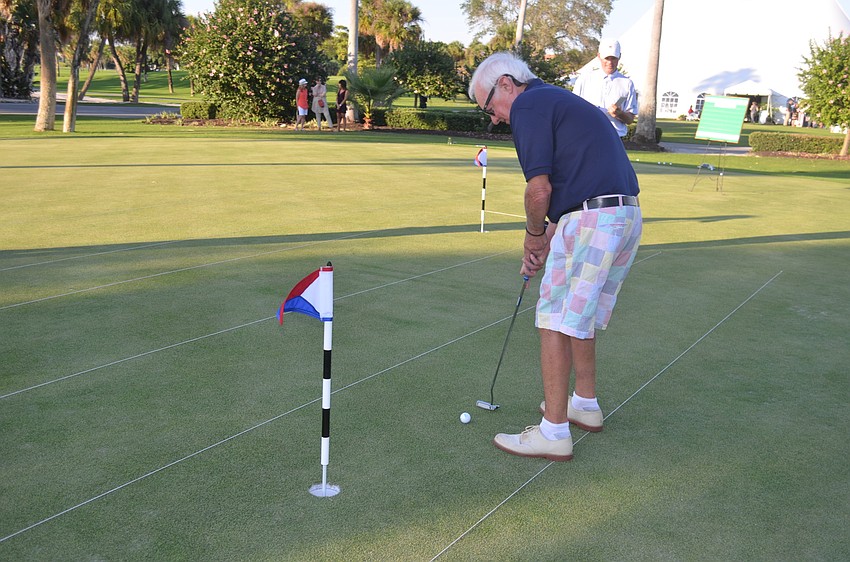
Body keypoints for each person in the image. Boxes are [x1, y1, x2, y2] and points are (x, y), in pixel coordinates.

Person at [469, 52, 642, 462]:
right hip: (623, 215)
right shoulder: (558, 99)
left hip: (594, 220)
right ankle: (584, 403)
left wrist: (532, 237)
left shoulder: (528, 105)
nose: (492, 118)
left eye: (489, 106)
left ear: (507, 84)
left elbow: (539, 191)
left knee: (554, 319)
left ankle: (554, 432)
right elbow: (576, 188)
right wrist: (548, 234)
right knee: (576, 319)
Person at [572, 38, 638, 137]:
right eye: (607, 58)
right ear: (599, 56)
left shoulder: (627, 83)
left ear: (619, 56)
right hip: (588, 135)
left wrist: (619, 114)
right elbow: (573, 109)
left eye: (613, 58)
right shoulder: (584, 79)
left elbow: (630, 119)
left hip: (615, 137)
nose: (610, 62)